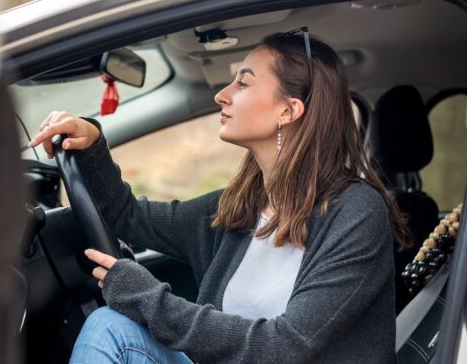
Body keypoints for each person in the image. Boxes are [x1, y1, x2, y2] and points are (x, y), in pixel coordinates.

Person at [28, 28, 410, 364]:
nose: (222, 96)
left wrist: (145, 296)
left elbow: (288, 347)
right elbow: (128, 217)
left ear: (288, 110)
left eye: (242, 84)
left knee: (110, 329)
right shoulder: (242, 205)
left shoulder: (356, 212)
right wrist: (92, 145)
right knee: (110, 325)